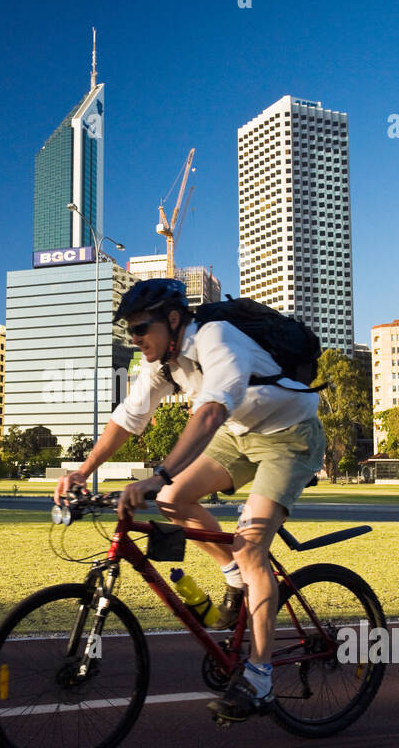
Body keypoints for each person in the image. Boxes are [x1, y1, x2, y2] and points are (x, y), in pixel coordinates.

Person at [53, 278, 326, 723]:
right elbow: (127, 419)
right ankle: (235, 577)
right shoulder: (164, 365)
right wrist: (81, 471)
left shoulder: (217, 339)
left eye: (141, 328)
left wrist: (158, 474)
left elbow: (212, 411)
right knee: (174, 500)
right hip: (239, 436)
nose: (135, 339)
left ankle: (259, 679)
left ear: (174, 319)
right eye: (130, 332)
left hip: (288, 436)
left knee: (251, 547)